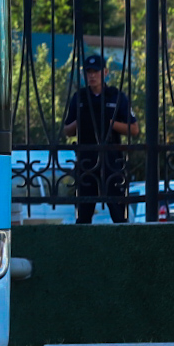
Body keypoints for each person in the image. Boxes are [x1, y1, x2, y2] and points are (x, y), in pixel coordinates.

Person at [62, 54, 139, 224]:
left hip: (111, 156)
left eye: (96, 71)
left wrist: (109, 123)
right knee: (83, 213)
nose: (92, 76)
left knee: (119, 212)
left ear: (105, 72)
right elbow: (67, 131)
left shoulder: (116, 96)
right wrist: (80, 120)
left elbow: (134, 129)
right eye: (89, 72)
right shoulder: (80, 97)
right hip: (86, 156)